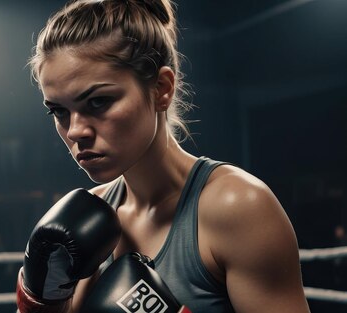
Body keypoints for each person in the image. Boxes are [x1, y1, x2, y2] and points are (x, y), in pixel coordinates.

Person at [16, 1, 310, 312]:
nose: (75, 131)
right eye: (59, 111)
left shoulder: (237, 207)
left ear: (161, 89)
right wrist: (42, 299)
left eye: (98, 102)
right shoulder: (88, 217)